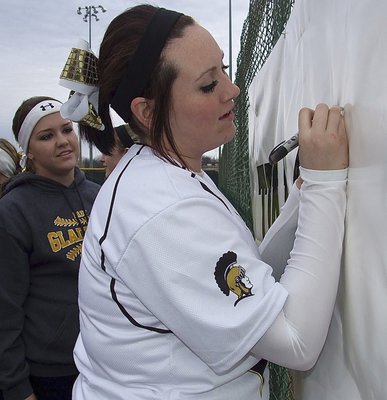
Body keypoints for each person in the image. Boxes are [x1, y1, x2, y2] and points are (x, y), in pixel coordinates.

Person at [58, 5, 348, 400]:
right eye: (209, 85)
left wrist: (303, 194)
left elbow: (254, 275)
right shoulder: (160, 209)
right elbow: (296, 341)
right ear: (147, 111)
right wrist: (327, 182)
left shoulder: (166, 173)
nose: (232, 89)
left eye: (224, 69)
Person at [0, 96, 100, 400]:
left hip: (108, 361)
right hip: (51, 373)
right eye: (47, 136)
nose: (63, 141)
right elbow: (5, 310)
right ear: (28, 151)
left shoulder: (102, 197)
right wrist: (18, 388)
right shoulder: (12, 211)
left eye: (67, 130)